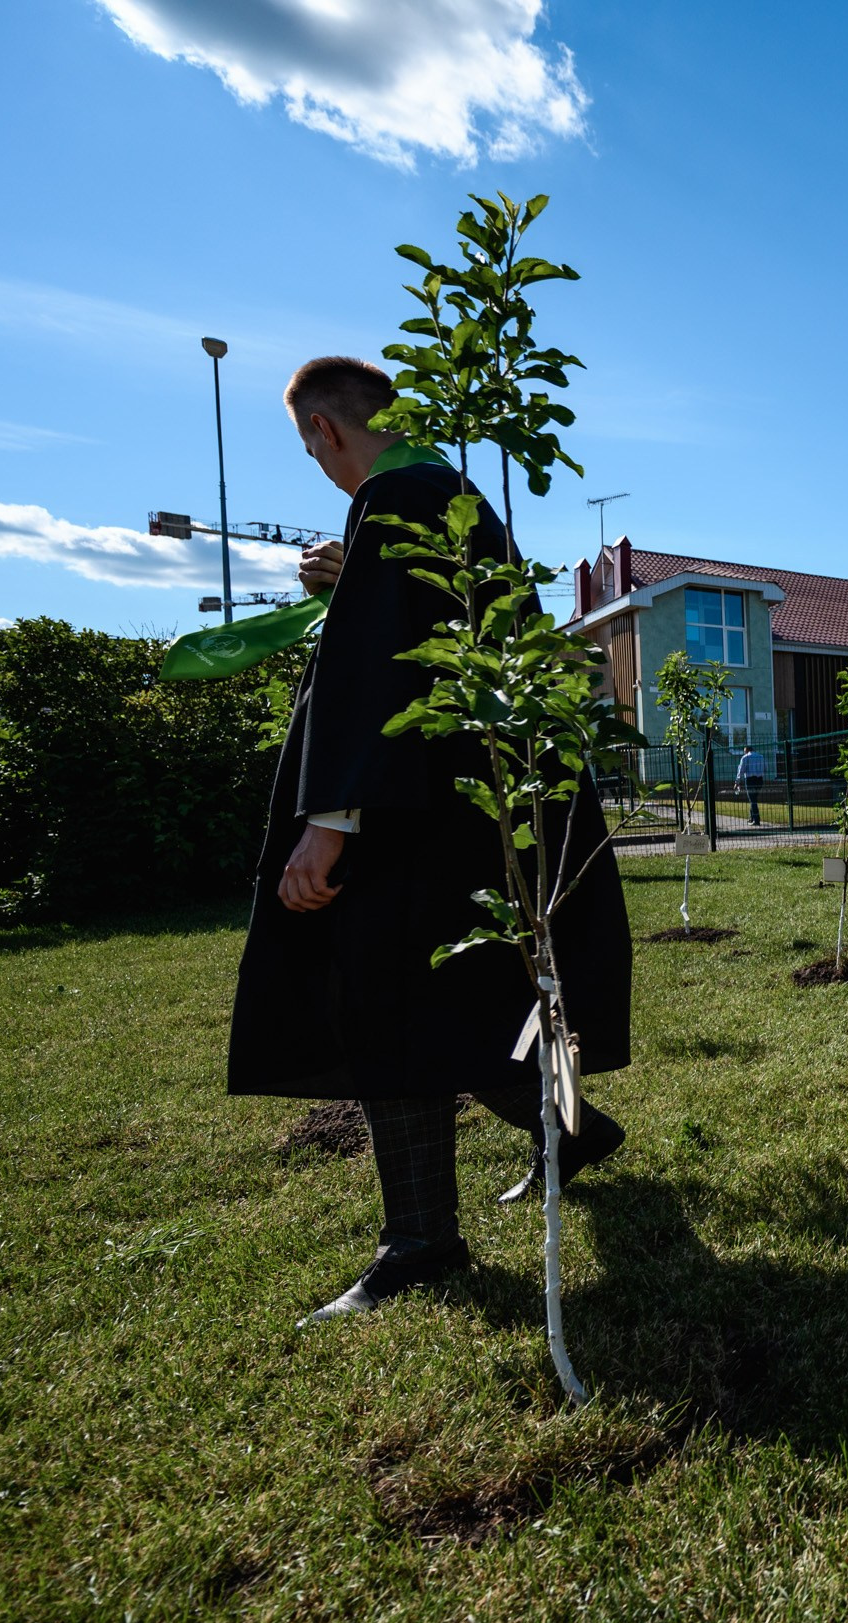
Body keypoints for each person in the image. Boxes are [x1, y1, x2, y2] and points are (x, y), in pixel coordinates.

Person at [229, 356, 632, 1326]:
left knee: (387, 1003)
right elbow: (438, 639)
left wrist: (329, 824)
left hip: (408, 811)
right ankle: (570, 1133)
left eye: (309, 449)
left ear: (325, 430)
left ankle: (421, 1239)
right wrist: (348, 581)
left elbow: (377, 675)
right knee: (464, 993)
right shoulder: (453, 499)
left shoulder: (395, 495)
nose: (319, 468)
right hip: (480, 800)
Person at [735, 743, 767, 824]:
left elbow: (741, 771)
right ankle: (751, 818)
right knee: (753, 799)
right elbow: (765, 768)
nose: (744, 753)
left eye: (744, 751)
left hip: (750, 780)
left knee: (752, 800)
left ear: (747, 750)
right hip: (759, 780)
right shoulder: (761, 757)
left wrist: (737, 782)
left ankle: (756, 820)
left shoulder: (745, 757)